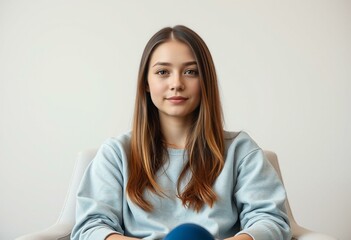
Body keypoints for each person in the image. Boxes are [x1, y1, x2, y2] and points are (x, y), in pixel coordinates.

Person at [71, 25, 292, 240]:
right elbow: (91, 227)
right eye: (163, 72)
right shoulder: (117, 153)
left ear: (205, 81)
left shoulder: (240, 150)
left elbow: (270, 221)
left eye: (190, 72)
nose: (176, 83)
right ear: (146, 83)